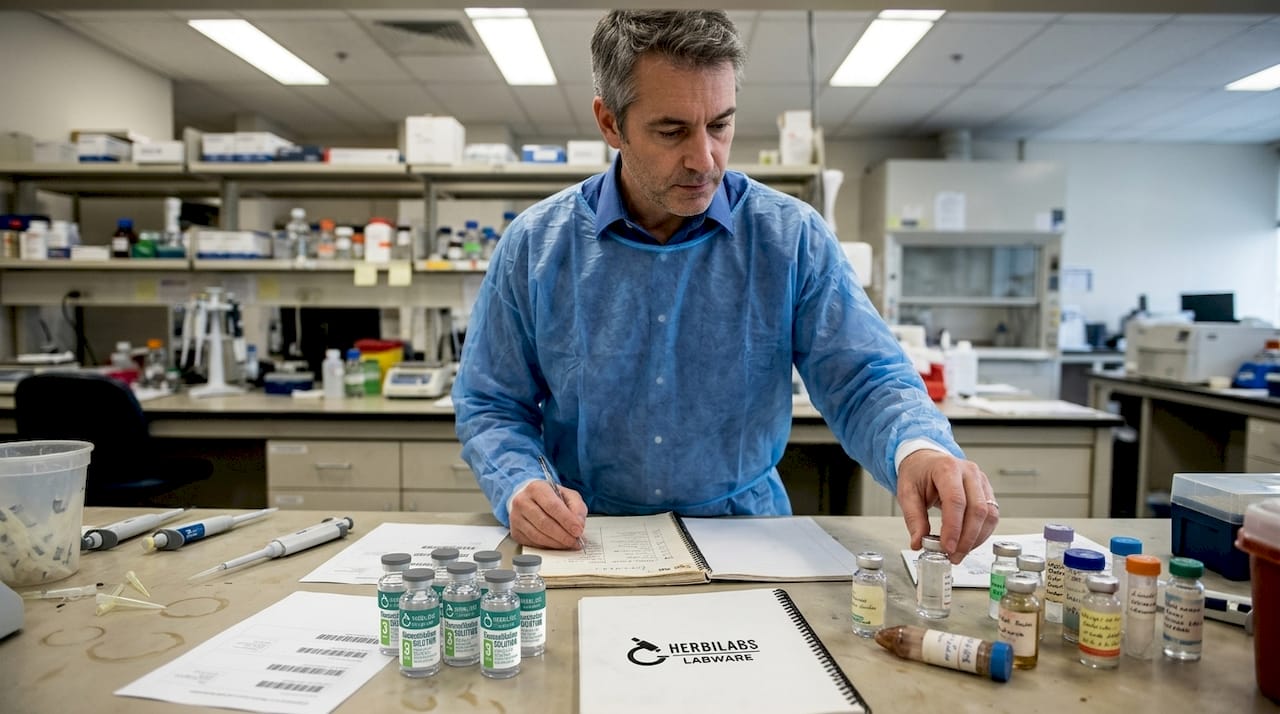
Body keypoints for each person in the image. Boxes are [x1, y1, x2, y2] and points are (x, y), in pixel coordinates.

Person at [453, 9, 998, 563]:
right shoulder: (534, 246)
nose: (703, 158)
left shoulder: (790, 237)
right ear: (610, 123)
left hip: (746, 538)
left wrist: (919, 450)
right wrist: (521, 484)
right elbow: (491, 401)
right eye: (671, 131)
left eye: (719, 125)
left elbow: (864, 378)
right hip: (587, 536)